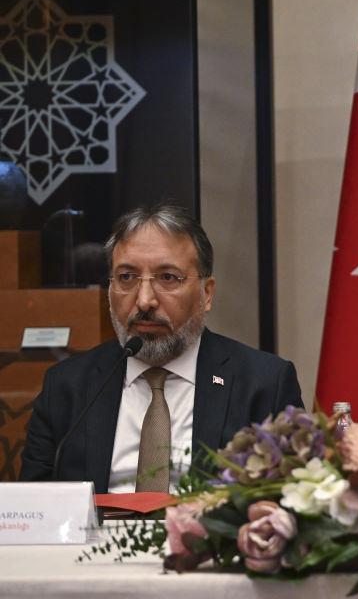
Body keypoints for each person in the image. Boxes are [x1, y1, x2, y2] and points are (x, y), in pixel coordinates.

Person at [21, 204, 303, 493]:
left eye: (168, 277)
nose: (144, 301)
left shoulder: (263, 385)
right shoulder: (66, 387)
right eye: (127, 277)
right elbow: (33, 505)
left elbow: (290, 502)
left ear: (206, 294)